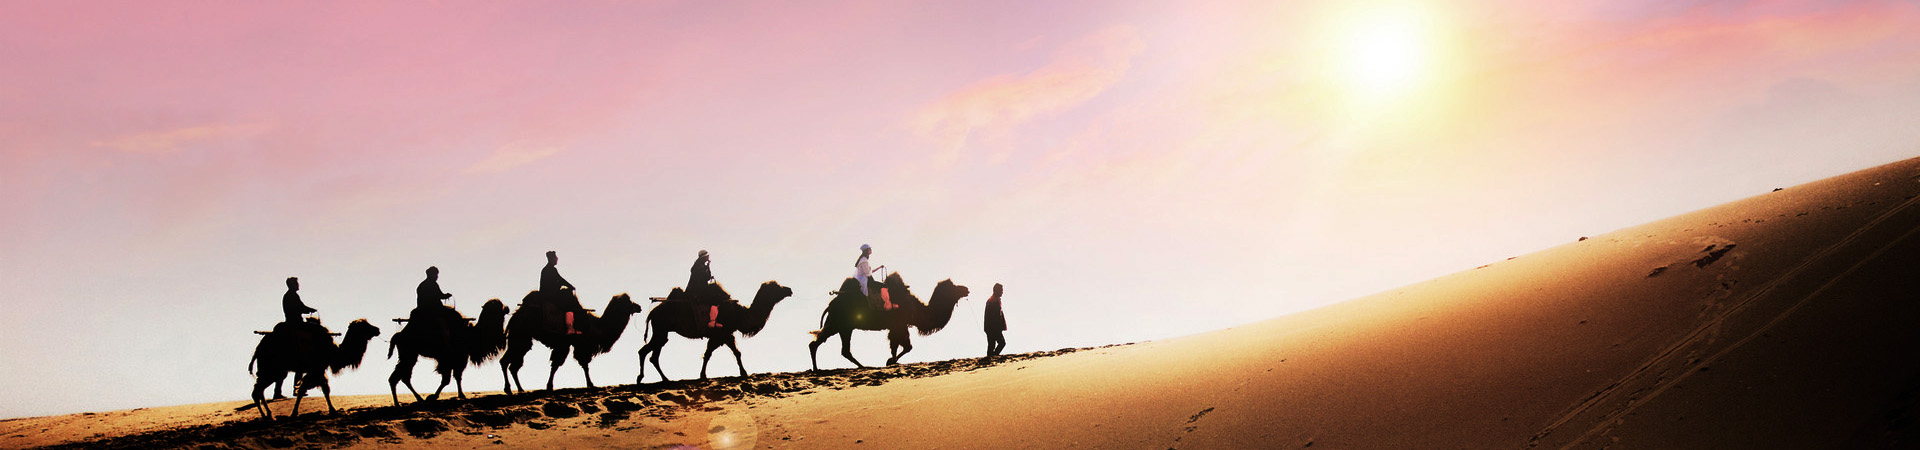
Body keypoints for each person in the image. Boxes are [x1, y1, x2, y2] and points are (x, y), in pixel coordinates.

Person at [540, 251, 585, 335]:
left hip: (547, 294)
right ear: (552, 259)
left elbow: (559, 280)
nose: (557, 259)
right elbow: (560, 280)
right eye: (555, 258)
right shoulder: (551, 269)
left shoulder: (547, 269)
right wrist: (570, 287)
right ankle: (570, 328)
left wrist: (568, 286)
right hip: (550, 295)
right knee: (569, 303)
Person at [687, 250, 725, 328]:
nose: (708, 257)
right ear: (704, 257)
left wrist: (708, 266)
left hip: (698, 289)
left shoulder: (699, 265)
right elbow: (706, 277)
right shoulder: (699, 267)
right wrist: (707, 267)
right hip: (697, 291)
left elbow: (707, 277)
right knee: (715, 299)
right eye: (707, 256)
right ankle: (712, 321)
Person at [854, 244, 889, 309]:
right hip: (866, 280)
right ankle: (885, 305)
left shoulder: (864, 260)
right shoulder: (864, 260)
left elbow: (869, 272)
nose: (871, 250)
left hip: (867, 279)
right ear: (867, 251)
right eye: (870, 249)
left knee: (882, 285)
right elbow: (868, 273)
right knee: (883, 286)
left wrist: (879, 267)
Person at [984, 283, 1007, 358]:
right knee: (999, 343)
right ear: (997, 290)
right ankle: (993, 357)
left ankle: (992, 357)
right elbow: (994, 316)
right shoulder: (993, 301)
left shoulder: (994, 300)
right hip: (993, 328)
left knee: (992, 345)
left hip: (991, 328)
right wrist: (998, 327)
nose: (1002, 292)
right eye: (1001, 290)